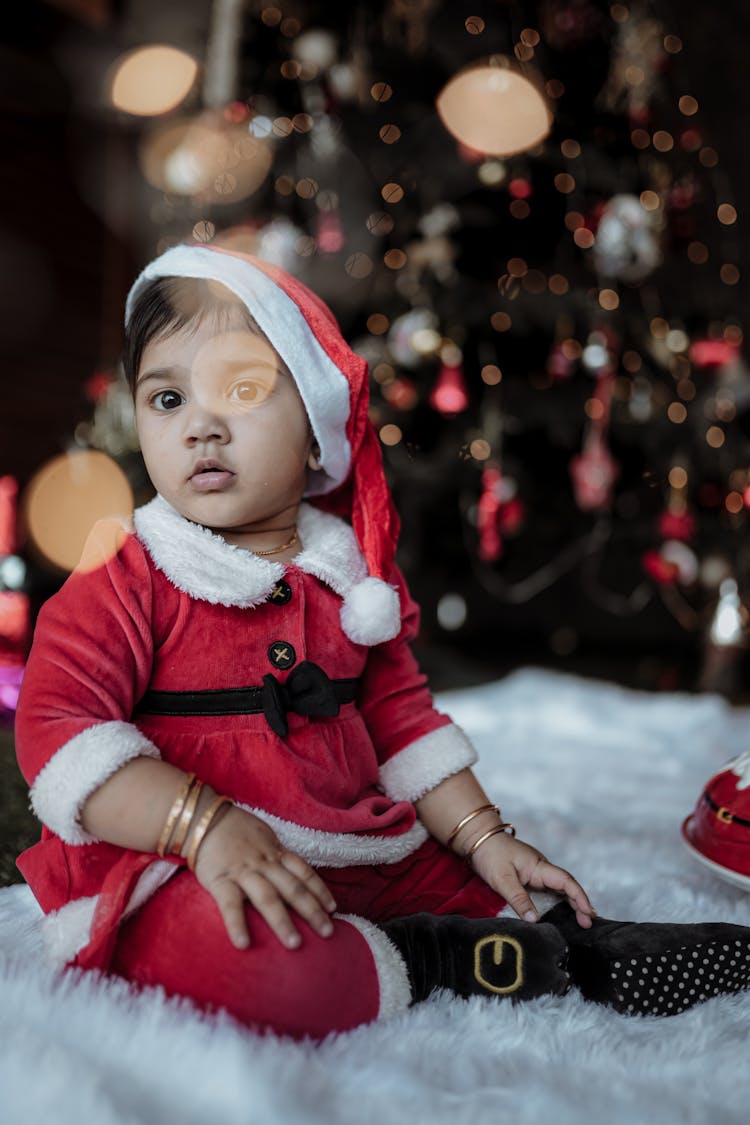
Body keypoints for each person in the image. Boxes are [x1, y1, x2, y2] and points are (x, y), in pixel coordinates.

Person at [15, 244, 750, 1038]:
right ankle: (426, 958)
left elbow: (404, 719)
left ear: (315, 431)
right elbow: (61, 728)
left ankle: (581, 949)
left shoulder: (351, 577)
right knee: (247, 957)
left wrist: (485, 835)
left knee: (507, 893)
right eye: (167, 398)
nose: (201, 425)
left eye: (243, 389)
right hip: (177, 859)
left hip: (358, 845)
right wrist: (203, 825)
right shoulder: (127, 571)